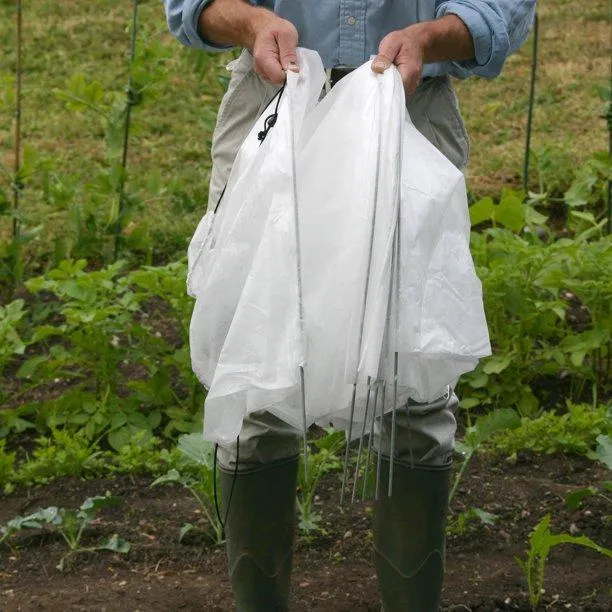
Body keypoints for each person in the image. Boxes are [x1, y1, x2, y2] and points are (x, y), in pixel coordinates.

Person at [163, 2, 536, 610]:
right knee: (258, 381)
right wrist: (253, 23)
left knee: (412, 394)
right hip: (274, 104)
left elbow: (501, 7)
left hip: (407, 108)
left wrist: (430, 38)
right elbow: (191, 6)